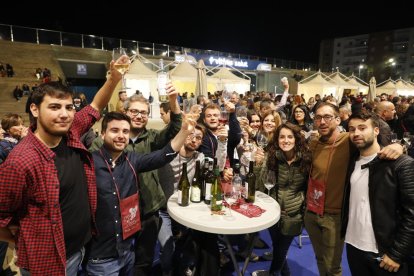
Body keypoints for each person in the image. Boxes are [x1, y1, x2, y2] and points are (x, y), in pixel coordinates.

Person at [0, 55, 125, 275]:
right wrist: (26, 242)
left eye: (69, 107)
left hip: (83, 248)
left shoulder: (70, 132)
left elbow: (95, 106)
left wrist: (114, 79)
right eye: (55, 107)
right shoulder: (20, 161)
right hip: (51, 262)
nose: (64, 114)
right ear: (35, 110)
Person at [86, 112, 195, 275]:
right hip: (101, 257)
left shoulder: (131, 159)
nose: (121, 136)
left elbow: (163, 155)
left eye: (125, 131)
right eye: (114, 130)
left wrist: (185, 131)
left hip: (127, 251)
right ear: (102, 134)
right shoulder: (89, 163)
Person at [304, 102, 403, 276]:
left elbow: (375, 145)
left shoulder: (348, 140)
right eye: (318, 117)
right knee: (320, 259)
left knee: (333, 266)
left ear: (337, 119)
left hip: (335, 216)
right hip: (312, 210)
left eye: (327, 117)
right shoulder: (314, 143)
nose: (322, 122)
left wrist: (400, 146)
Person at [342, 111, 414, 275]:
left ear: (376, 130)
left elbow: (411, 214)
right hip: (353, 246)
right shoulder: (351, 161)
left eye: (362, 128)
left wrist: (397, 253)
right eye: (352, 129)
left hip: (385, 253)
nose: (356, 133)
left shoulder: (400, 164)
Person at [255, 122, 311, 275]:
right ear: (277, 139)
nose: (286, 141)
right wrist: (258, 165)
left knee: (281, 249)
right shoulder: (272, 157)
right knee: (278, 247)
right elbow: (260, 186)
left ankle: (273, 273)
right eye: (282, 137)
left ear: (296, 139)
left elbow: (309, 187)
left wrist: (304, 209)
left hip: (294, 214)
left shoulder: (306, 159)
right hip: (273, 212)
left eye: (290, 137)